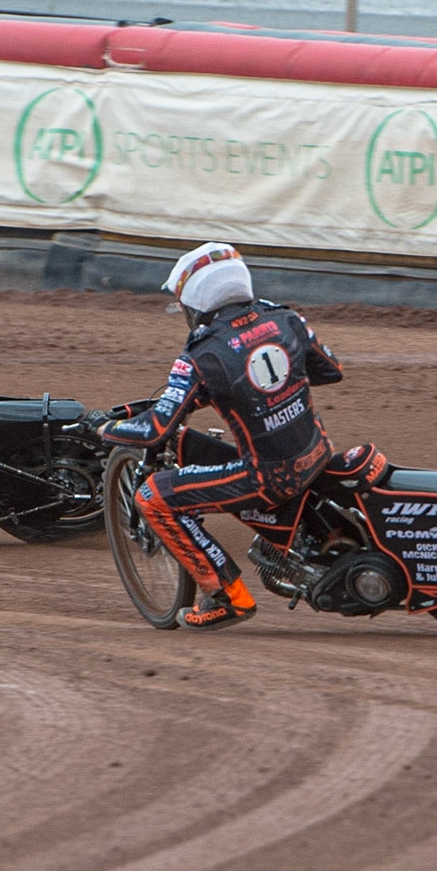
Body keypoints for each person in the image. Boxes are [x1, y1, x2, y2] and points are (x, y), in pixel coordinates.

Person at [101, 242, 344, 631]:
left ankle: (228, 597)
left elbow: (155, 429)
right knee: (187, 443)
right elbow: (330, 370)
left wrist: (107, 429)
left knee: (153, 498)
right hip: (317, 453)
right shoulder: (286, 319)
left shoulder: (201, 354)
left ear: (197, 300)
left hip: (269, 478)